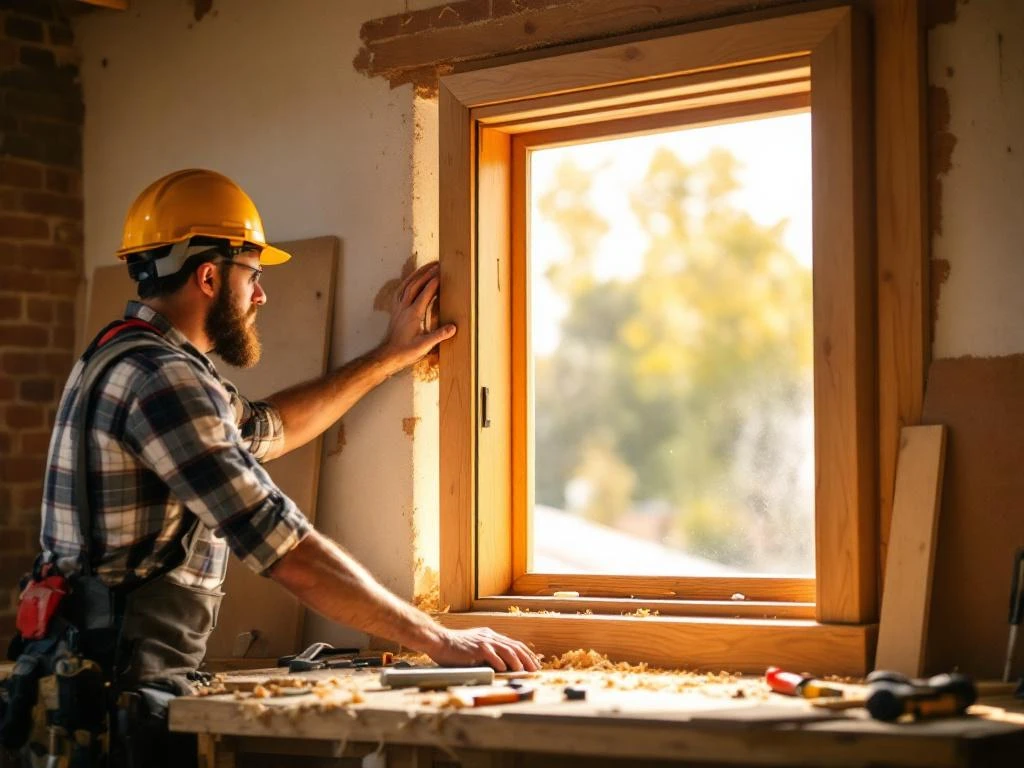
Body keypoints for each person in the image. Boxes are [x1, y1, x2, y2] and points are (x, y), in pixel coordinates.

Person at [2, 169, 537, 766]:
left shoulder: (125, 355)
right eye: (253, 275)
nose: (261, 295)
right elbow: (286, 550)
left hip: (85, 677)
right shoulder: (164, 382)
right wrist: (440, 638)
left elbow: (265, 428)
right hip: (109, 702)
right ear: (210, 276)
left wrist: (389, 357)